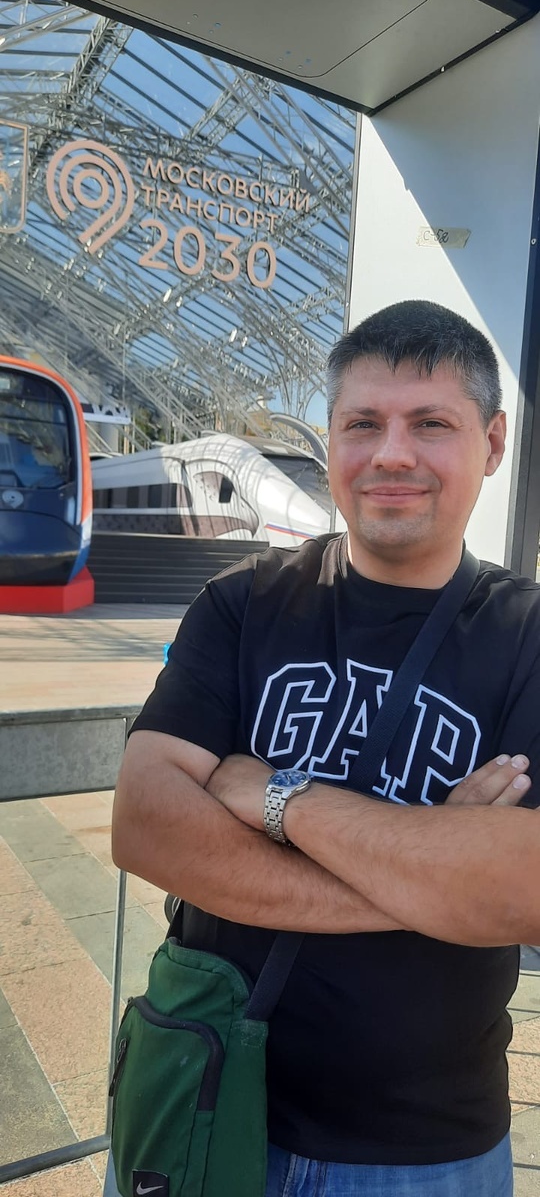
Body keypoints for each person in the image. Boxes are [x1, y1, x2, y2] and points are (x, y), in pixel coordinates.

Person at [112, 300, 540, 1197]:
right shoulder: (244, 603)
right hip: (203, 1103)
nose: (392, 454)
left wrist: (278, 798)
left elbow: (524, 890)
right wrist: (433, 873)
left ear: (493, 443)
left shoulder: (526, 637)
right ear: (333, 441)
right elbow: (147, 825)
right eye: (363, 424)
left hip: (426, 1155)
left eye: (431, 424)